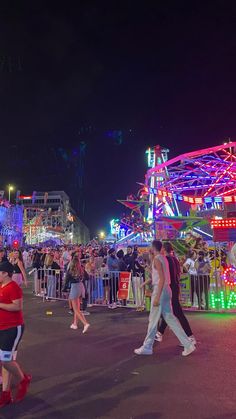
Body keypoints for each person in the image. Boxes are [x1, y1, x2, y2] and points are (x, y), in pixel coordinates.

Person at [134, 240, 196, 357]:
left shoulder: (157, 259)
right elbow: (159, 276)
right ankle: (188, 344)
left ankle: (147, 346)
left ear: (153, 247)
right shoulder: (163, 259)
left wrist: (157, 297)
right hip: (167, 290)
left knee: (153, 319)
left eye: (149, 246)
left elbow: (161, 278)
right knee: (170, 319)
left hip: (160, 290)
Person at [0, 260, 31, 407]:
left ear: (5, 273)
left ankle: (23, 379)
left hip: (13, 328)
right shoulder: (1, 285)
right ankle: (6, 394)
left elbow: (17, 306)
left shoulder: (13, 287)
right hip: (2, 327)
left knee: (6, 360)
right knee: (5, 360)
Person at [156, 242, 196, 344]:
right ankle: (160, 333)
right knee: (169, 312)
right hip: (175, 287)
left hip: (170, 288)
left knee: (177, 313)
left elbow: (165, 276)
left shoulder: (167, 260)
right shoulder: (175, 260)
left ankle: (190, 337)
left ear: (164, 249)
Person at [64, 256, 90, 333]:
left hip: (74, 287)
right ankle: (75, 324)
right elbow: (87, 277)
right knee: (77, 307)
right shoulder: (81, 269)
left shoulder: (70, 270)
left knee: (75, 309)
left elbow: (66, 281)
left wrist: (64, 289)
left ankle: (85, 323)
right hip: (80, 287)